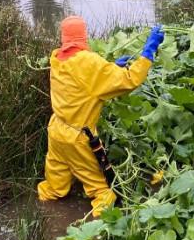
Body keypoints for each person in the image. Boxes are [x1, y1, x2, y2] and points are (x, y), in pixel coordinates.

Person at [37, 16, 165, 216]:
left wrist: (111, 67)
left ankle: (45, 215)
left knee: (54, 186)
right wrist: (148, 53)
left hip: (56, 132)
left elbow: (80, 82)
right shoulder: (88, 62)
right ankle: (97, 233)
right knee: (103, 193)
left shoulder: (56, 59)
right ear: (83, 36)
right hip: (77, 138)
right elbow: (129, 81)